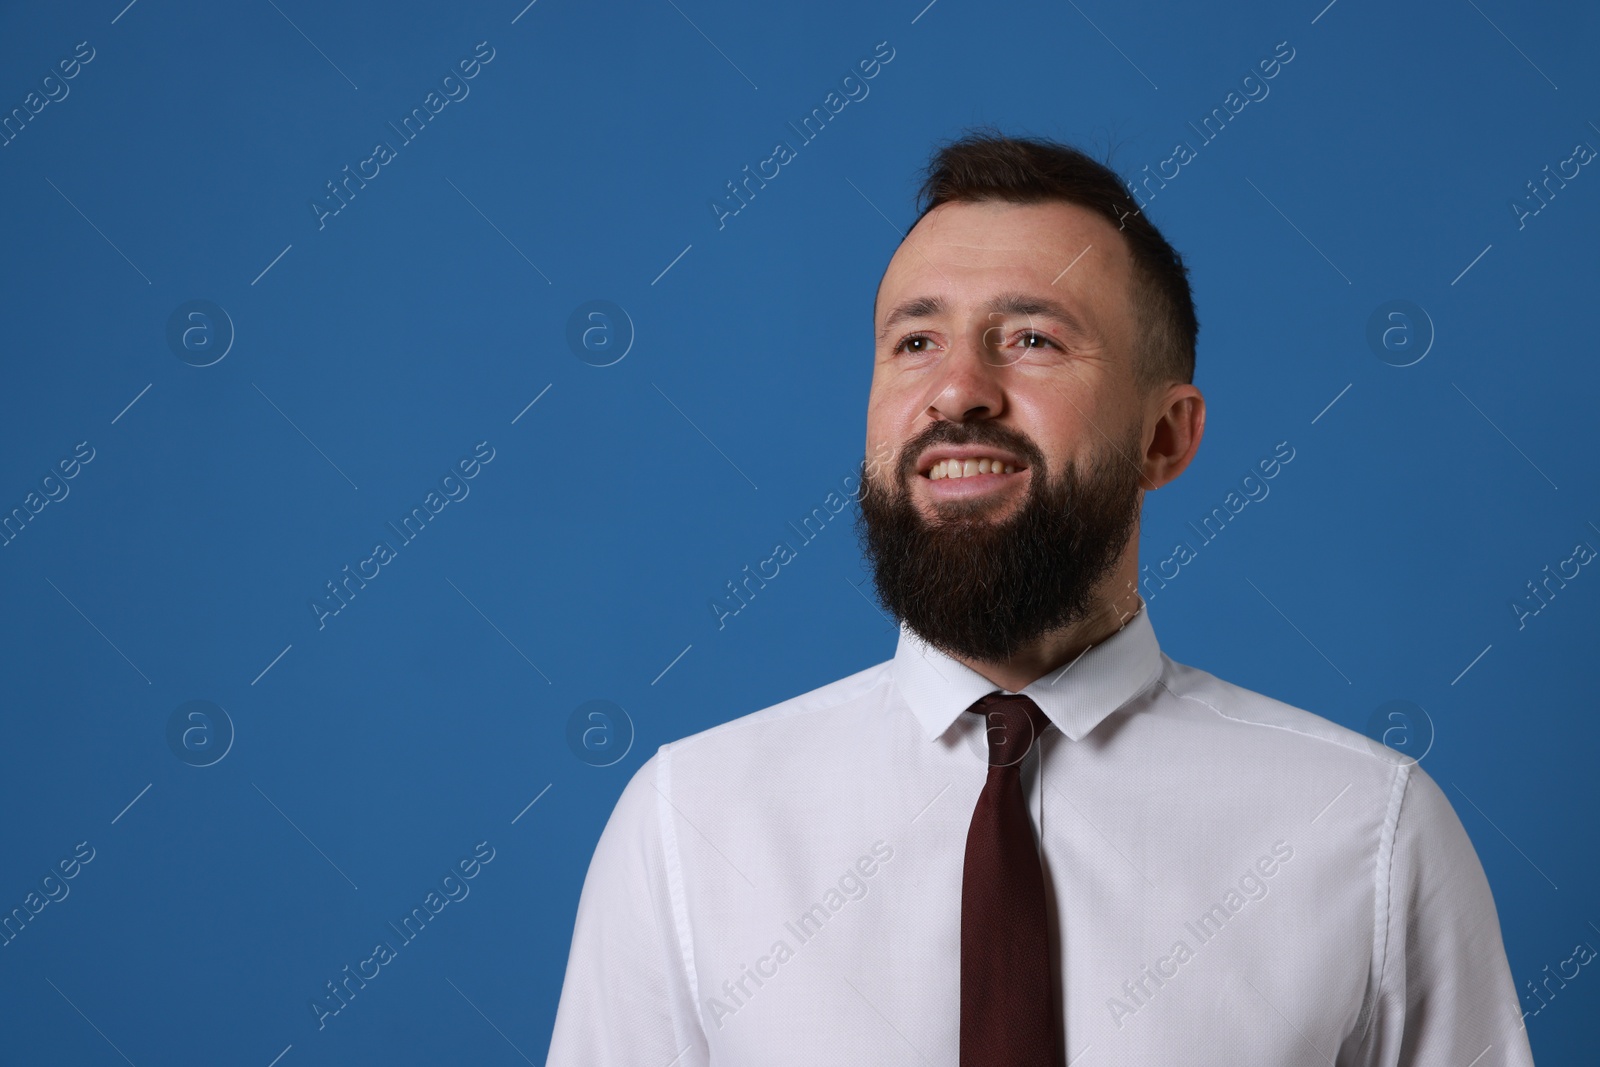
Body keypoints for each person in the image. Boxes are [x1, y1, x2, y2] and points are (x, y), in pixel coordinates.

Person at [543, 131, 1534, 1066]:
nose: (957, 391)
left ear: (1166, 438)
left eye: (1029, 338)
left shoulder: (1367, 832)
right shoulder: (688, 824)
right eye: (915, 342)